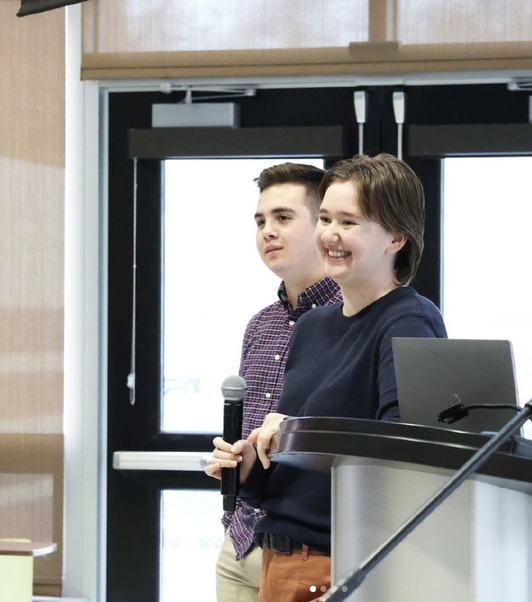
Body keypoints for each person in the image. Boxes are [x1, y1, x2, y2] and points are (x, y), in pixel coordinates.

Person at [206, 153, 447, 602]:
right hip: (276, 556)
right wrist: (248, 466)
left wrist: (297, 433)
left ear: (397, 237)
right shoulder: (314, 326)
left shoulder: (410, 320)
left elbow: (407, 458)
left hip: (342, 561)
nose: (330, 236)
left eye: (349, 223)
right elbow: (289, 469)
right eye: (325, 219)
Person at [211, 162, 342, 602]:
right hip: (241, 539)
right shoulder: (260, 324)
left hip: (313, 551)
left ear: (324, 226)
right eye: (261, 221)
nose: (268, 231)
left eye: (284, 218)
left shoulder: (355, 319)